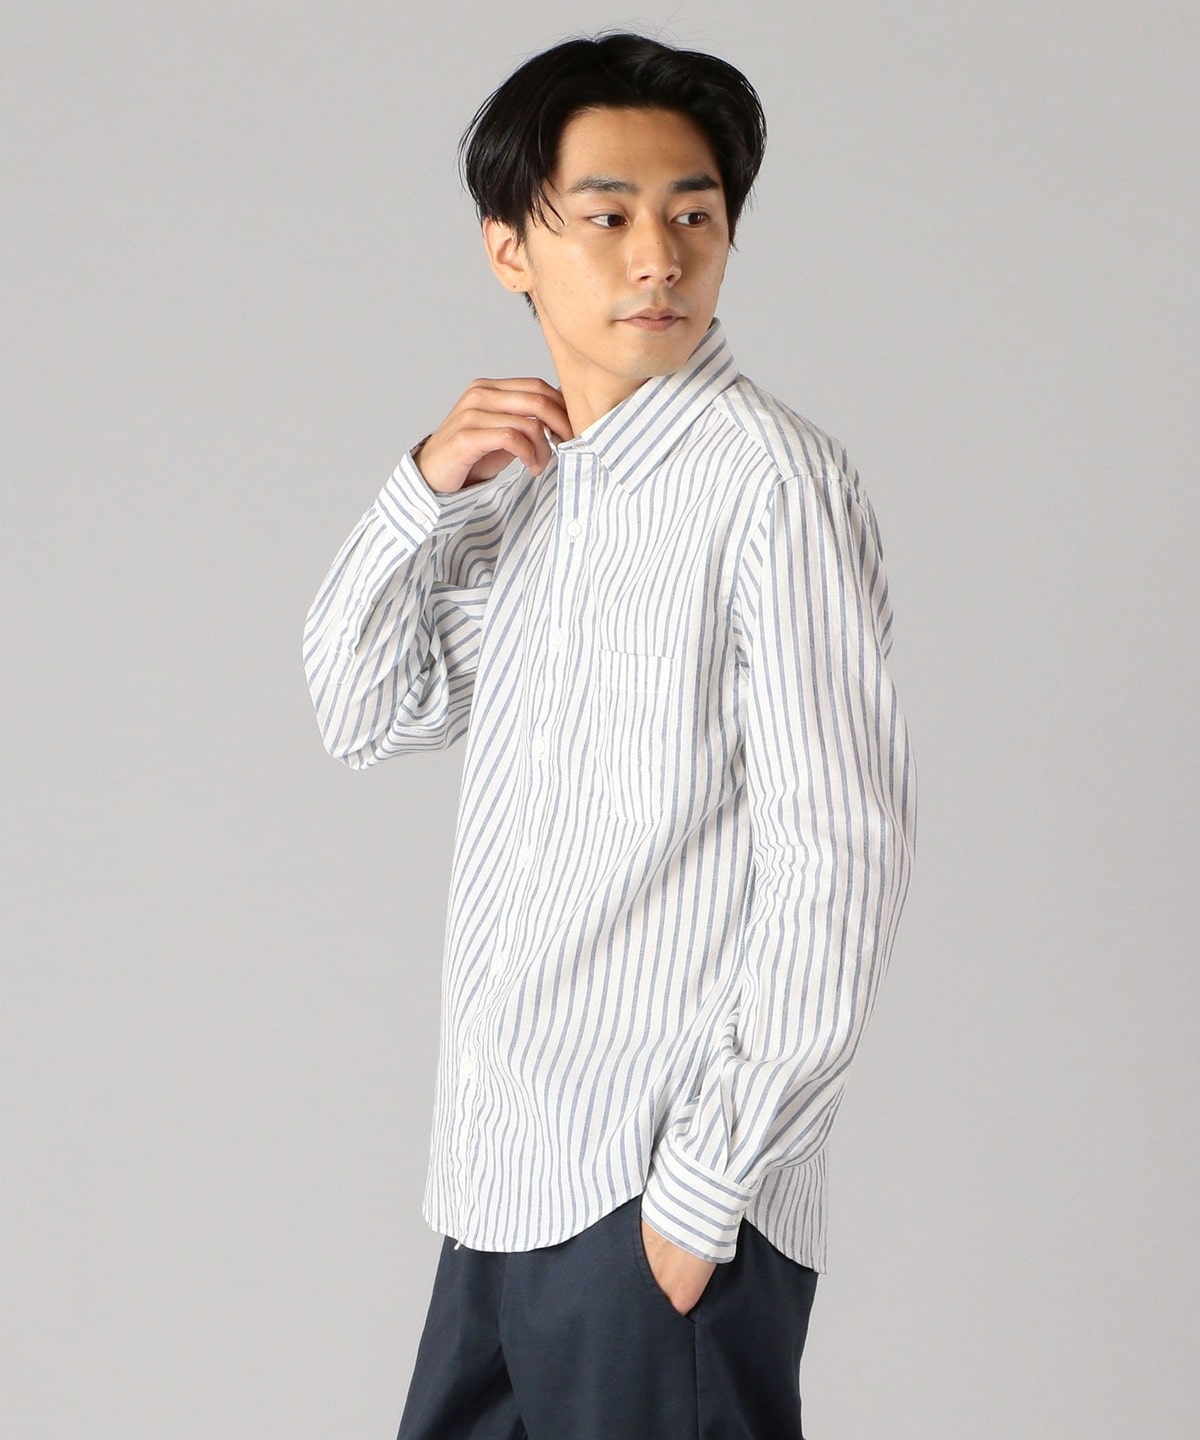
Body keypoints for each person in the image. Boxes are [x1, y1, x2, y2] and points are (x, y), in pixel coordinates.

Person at [301, 27, 917, 1440]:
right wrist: (418, 492)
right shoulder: (531, 495)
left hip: (653, 1198)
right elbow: (359, 707)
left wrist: (702, 1193)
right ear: (510, 248)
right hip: (496, 1189)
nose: (659, 257)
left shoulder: (771, 484)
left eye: (694, 216)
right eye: (610, 216)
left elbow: (845, 854)